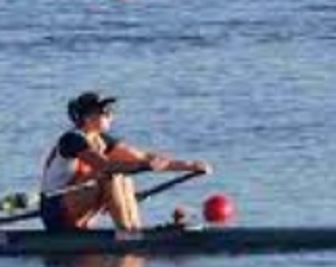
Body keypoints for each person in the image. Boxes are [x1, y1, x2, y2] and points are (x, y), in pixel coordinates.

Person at [40, 92, 212, 231]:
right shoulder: (72, 140)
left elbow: (144, 157)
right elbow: (105, 166)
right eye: (105, 111)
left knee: (124, 178)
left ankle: (133, 229)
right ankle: (127, 235)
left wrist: (189, 166)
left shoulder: (101, 140)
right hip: (55, 210)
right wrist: (144, 167)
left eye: (111, 111)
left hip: (78, 203)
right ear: (88, 117)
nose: (111, 115)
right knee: (112, 176)